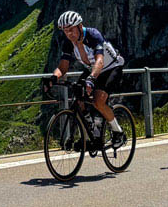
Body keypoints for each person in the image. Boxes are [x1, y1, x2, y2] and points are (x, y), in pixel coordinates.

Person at [51, 10, 125, 143]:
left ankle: (117, 131)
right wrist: (52, 79)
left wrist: (91, 79)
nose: (69, 34)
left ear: (80, 26)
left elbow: (100, 61)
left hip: (111, 67)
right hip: (92, 69)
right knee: (78, 100)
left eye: (71, 29)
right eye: (65, 31)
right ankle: (91, 133)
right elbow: (63, 67)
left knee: (98, 100)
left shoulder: (92, 35)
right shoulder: (68, 43)